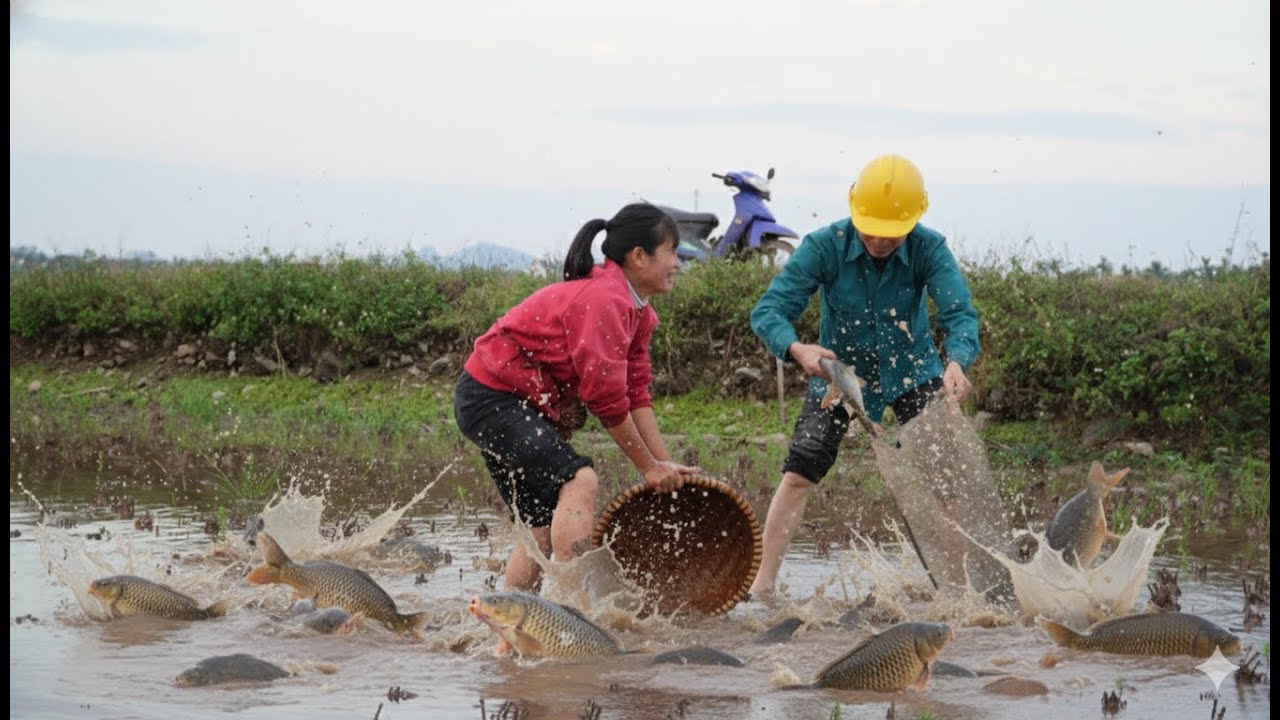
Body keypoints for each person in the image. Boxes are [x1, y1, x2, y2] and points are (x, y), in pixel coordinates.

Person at [747, 154, 980, 601]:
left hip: (914, 371)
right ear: (854, 210)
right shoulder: (824, 245)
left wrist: (957, 361)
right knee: (801, 470)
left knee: (945, 481)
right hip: (839, 374)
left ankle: (957, 592)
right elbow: (768, 311)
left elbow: (959, 314)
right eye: (869, 228)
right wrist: (798, 349)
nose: (876, 239)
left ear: (913, 222)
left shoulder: (930, 248)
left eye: (890, 234)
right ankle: (763, 588)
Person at [454, 202, 700, 604]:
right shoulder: (605, 300)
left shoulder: (637, 311)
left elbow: (634, 392)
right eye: (672, 251)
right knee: (579, 479)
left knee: (538, 525)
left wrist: (662, 466)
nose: (678, 262)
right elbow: (606, 399)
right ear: (639, 256)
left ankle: (506, 632)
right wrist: (647, 468)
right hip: (491, 398)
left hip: (509, 403)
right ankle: (575, 611)